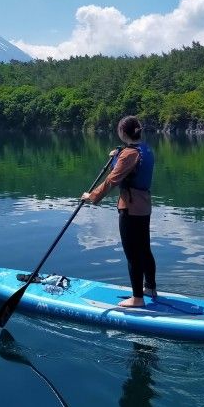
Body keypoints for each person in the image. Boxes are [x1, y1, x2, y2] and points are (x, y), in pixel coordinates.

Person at [81, 116, 157, 308]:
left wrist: (91, 196)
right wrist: (118, 154)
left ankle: (137, 299)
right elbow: (128, 163)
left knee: (132, 254)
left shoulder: (128, 154)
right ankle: (150, 288)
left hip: (130, 208)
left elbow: (112, 180)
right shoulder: (145, 149)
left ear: (123, 132)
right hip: (144, 206)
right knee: (145, 249)